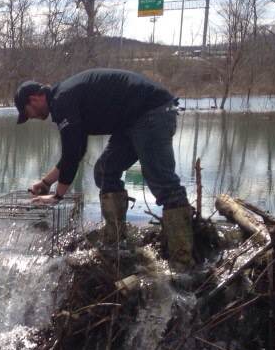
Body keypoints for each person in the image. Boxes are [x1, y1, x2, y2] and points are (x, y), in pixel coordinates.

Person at [14, 68, 193, 269]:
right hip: (130, 120)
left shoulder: (62, 100)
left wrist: (57, 196)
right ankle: (116, 239)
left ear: (34, 99)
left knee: (162, 181)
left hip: (152, 111)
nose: (30, 117)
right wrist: (47, 182)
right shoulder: (62, 99)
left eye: (27, 113)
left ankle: (182, 261)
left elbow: (72, 153)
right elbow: (77, 150)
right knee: (105, 170)